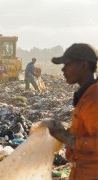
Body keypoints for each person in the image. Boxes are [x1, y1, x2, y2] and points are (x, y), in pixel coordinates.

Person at [42, 43, 98, 179]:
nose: (63, 69)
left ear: (83, 65)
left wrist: (66, 137)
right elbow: (84, 134)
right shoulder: (85, 96)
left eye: (68, 64)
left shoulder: (94, 98)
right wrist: (60, 132)